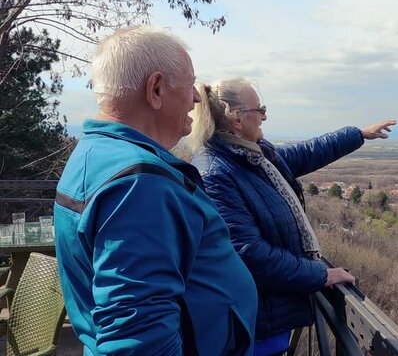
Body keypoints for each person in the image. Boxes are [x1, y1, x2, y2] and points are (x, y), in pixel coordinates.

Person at [54, 27, 257, 355]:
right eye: (190, 84)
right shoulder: (140, 183)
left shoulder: (92, 153)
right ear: (156, 89)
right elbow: (138, 340)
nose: (195, 97)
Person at [188, 77, 396, 355]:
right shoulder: (217, 173)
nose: (265, 116)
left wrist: (358, 134)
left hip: (270, 313)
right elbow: (250, 254)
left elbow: (306, 153)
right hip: (257, 323)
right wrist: (318, 274)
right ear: (236, 119)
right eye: (259, 110)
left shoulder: (252, 157)